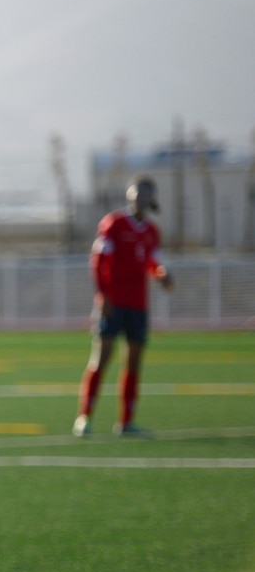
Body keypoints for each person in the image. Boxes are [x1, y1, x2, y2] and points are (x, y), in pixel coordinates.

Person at [74, 175, 174, 437]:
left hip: (138, 305)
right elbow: (98, 261)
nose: (140, 197)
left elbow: (153, 262)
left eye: (146, 193)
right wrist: (103, 297)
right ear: (129, 195)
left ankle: (126, 422)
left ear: (152, 198)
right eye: (136, 192)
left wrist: (162, 275)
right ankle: (84, 417)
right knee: (102, 358)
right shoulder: (113, 224)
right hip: (113, 304)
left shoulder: (152, 232)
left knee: (133, 363)